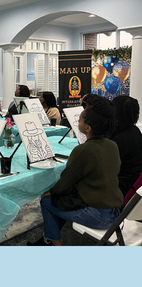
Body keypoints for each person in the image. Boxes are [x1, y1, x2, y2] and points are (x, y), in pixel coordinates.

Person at [28, 97, 123, 246]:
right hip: (117, 211)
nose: (77, 123)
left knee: (46, 200)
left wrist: (51, 191)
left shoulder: (83, 150)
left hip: (98, 215)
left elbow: (65, 182)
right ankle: (49, 240)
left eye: (80, 120)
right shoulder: (113, 145)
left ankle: (55, 245)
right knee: (61, 200)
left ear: (88, 128)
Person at [110, 96, 142, 196]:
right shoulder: (134, 130)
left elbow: (109, 167)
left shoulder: (120, 138)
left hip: (123, 186)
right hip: (133, 180)